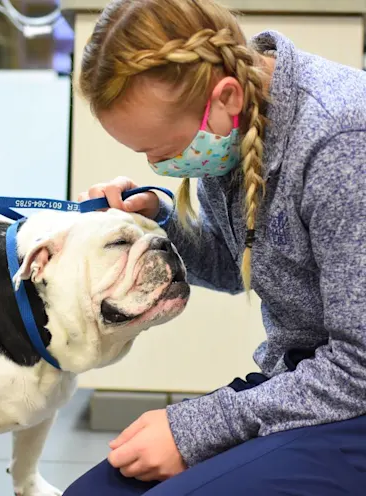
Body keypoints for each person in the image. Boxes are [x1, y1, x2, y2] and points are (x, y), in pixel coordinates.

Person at [63, 0, 366, 494]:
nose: (161, 165)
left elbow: (359, 369)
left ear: (224, 97)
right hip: (309, 381)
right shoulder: (237, 124)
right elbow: (236, 266)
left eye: (163, 150)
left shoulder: (343, 141)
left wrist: (194, 428)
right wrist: (159, 218)